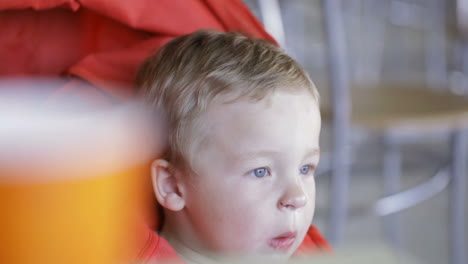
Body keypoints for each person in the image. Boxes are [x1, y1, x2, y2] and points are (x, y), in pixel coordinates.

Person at [135, 30, 330, 263]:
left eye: (305, 168)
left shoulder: (308, 253)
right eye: (261, 171)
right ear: (173, 186)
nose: (298, 197)